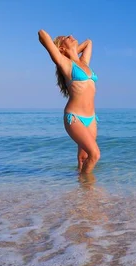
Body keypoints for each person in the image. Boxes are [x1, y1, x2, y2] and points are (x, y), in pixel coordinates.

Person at [38, 29, 100, 173]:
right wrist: (62, 53)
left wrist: (71, 50)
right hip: (75, 118)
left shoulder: (83, 62)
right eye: (66, 37)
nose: (71, 36)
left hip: (91, 118)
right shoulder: (65, 64)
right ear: (61, 48)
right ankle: (88, 188)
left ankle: (79, 191)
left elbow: (89, 42)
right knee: (95, 155)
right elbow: (42, 34)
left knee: (83, 158)